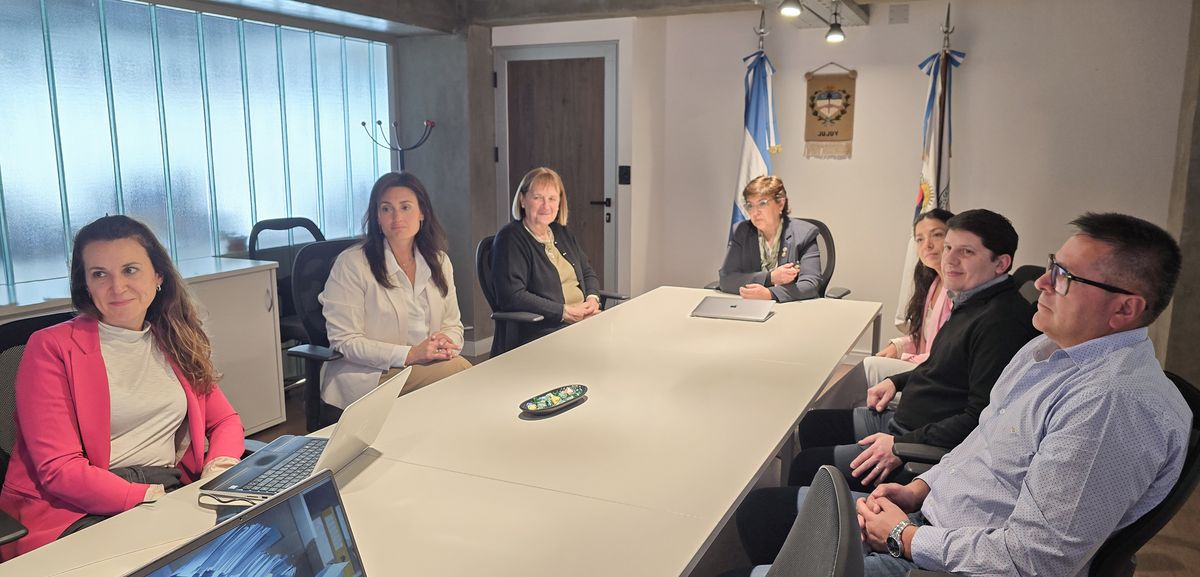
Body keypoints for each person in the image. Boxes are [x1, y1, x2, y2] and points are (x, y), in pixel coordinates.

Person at [846, 213, 1189, 576]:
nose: (1041, 282)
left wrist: (904, 537)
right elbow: (982, 438)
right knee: (804, 515)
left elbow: (1037, 560)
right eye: (1052, 265)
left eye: (1064, 277)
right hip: (928, 522)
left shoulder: (1111, 404)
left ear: (1124, 308)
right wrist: (920, 488)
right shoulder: (1046, 347)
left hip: (947, 561)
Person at [735, 209, 1039, 565]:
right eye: (949, 247)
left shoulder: (1000, 322)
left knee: (794, 478)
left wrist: (899, 444)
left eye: (966, 252)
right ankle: (800, 550)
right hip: (906, 425)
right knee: (814, 425)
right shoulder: (972, 298)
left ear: (1001, 263)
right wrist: (896, 381)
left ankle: (799, 554)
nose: (949, 259)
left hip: (915, 444)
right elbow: (944, 366)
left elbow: (977, 419)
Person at [0, 215, 245, 559]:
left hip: (166, 485)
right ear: (86, 284)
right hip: (75, 508)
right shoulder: (51, 347)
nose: (117, 287)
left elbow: (225, 421)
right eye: (100, 274)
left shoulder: (173, 337)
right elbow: (59, 470)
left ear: (158, 276)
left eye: (130, 270)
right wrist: (150, 500)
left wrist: (218, 470)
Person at [320, 172, 470, 408]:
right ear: (377, 217)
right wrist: (410, 354)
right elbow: (345, 341)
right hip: (371, 373)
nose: (397, 217)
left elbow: (453, 324)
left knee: (456, 375)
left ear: (422, 213)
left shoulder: (439, 261)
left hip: (425, 365)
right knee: (461, 372)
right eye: (386, 209)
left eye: (405, 207)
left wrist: (446, 341)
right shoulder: (352, 264)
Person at [812, 209, 955, 410]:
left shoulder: (957, 291)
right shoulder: (934, 283)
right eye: (920, 239)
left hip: (938, 378)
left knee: (870, 368)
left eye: (937, 235)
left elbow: (945, 355)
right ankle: (818, 418)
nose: (927, 245)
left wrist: (904, 357)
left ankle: (812, 418)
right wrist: (898, 346)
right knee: (861, 394)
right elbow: (927, 337)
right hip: (923, 368)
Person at [491, 167, 604, 348]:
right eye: (538, 198)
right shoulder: (510, 238)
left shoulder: (561, 232)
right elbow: (512, 296)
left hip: (582, 320)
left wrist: (592, 300)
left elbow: (587, 272)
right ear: (522, 200)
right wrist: (564, 312)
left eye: (552, 198)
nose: (546, 206)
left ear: (560, 203)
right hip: (545, 329)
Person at [719, 175, 822, 302]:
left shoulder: (804, 234)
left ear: (781, 204)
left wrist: (770, 294)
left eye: (762, 204)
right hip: (750, 305)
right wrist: (770, 278)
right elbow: (726, 279)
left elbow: (810, 284)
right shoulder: (742, 232)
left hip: (790, 306)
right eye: (750, 205)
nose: (755, 212)